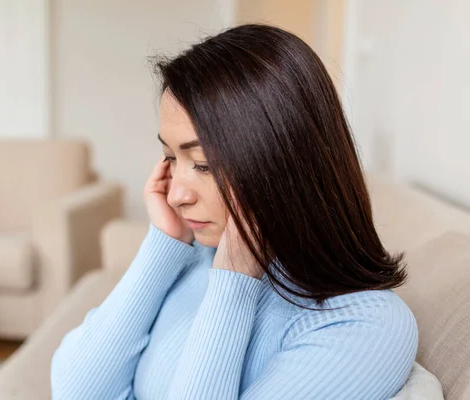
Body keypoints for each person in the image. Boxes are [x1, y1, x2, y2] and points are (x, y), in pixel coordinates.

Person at [50, 24, 418, 399]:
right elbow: (76, 390)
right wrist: (163, 245)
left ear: (281, 163)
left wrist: (235, 284)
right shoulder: (197, 254)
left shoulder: (363, 324)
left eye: (204, 164)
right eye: (170, 158)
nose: (175, 194)